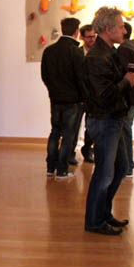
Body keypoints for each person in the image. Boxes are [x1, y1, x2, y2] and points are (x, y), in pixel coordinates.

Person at [83, 7, 134, 235]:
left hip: (114, 119)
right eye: (121, 26)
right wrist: (126, 81)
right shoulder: (97, 57)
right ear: (108, 29)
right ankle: (94, 221)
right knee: (104, 173)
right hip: (105, 119)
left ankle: (103, 213)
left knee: (121, 167)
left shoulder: (109, 53)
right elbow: (104, 95)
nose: (124, 30)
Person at [41, 17, 86, 180]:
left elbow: (45, 75)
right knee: (68, 135)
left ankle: (50, 167)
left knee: (55, 132)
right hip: (72, 100)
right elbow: (81, 78)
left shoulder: (49, 51)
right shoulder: (76, 52)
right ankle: (62, 170)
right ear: (76, 32)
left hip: (55, 98)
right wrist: (84, 97)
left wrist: (53, 90)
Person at [117, 22, 134, 177]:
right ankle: (127, 165)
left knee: (124, 129)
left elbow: (124, 74)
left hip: (127, 95)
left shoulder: (124, 49)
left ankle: (127, 166)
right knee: (126, 128)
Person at [77, 24, 96, 163]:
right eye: (89, 37)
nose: (92, 39)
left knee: (90, 126)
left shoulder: (98, 53)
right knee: (74, 125)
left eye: (93, 36)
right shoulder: (77, 53)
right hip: (78, 95)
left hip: (93, 95)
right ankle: (70, 152)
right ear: (82, 37)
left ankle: (88, 149)